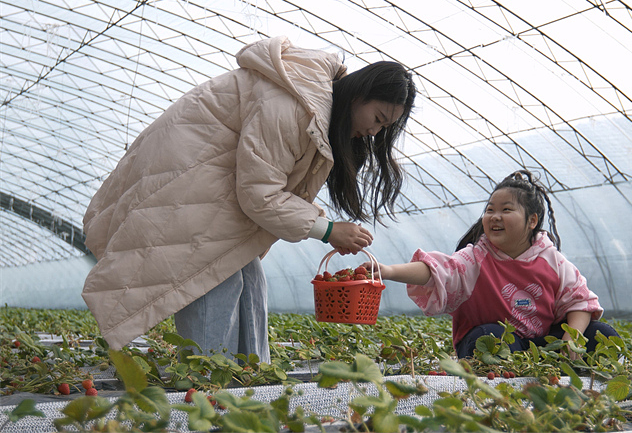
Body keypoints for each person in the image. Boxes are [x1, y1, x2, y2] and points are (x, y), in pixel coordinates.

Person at [81, 36, 416, 362]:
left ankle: (245, 383)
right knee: (213, 278)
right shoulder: (293, 107)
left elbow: (268, 183)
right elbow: (259, 194)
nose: (374, 133)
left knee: (248, 280)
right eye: (377, 120)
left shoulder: (311, 105)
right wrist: (327, 230)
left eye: (384, 128)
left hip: (213, 191)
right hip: (187, 188)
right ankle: (208, 388)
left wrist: (322, 223)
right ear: (358, 94)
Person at [372, 170, 618, 359]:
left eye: (506, 210)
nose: (494, 216)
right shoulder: (475, 260)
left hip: (541, 348)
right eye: (490, 210)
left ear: (532, 220)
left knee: (602, 334)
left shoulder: (552, 260)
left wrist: (570, 339)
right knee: (492, 335)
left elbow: (579, 300)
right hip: (495, 346)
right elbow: (438, 269)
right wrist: (388, 271)